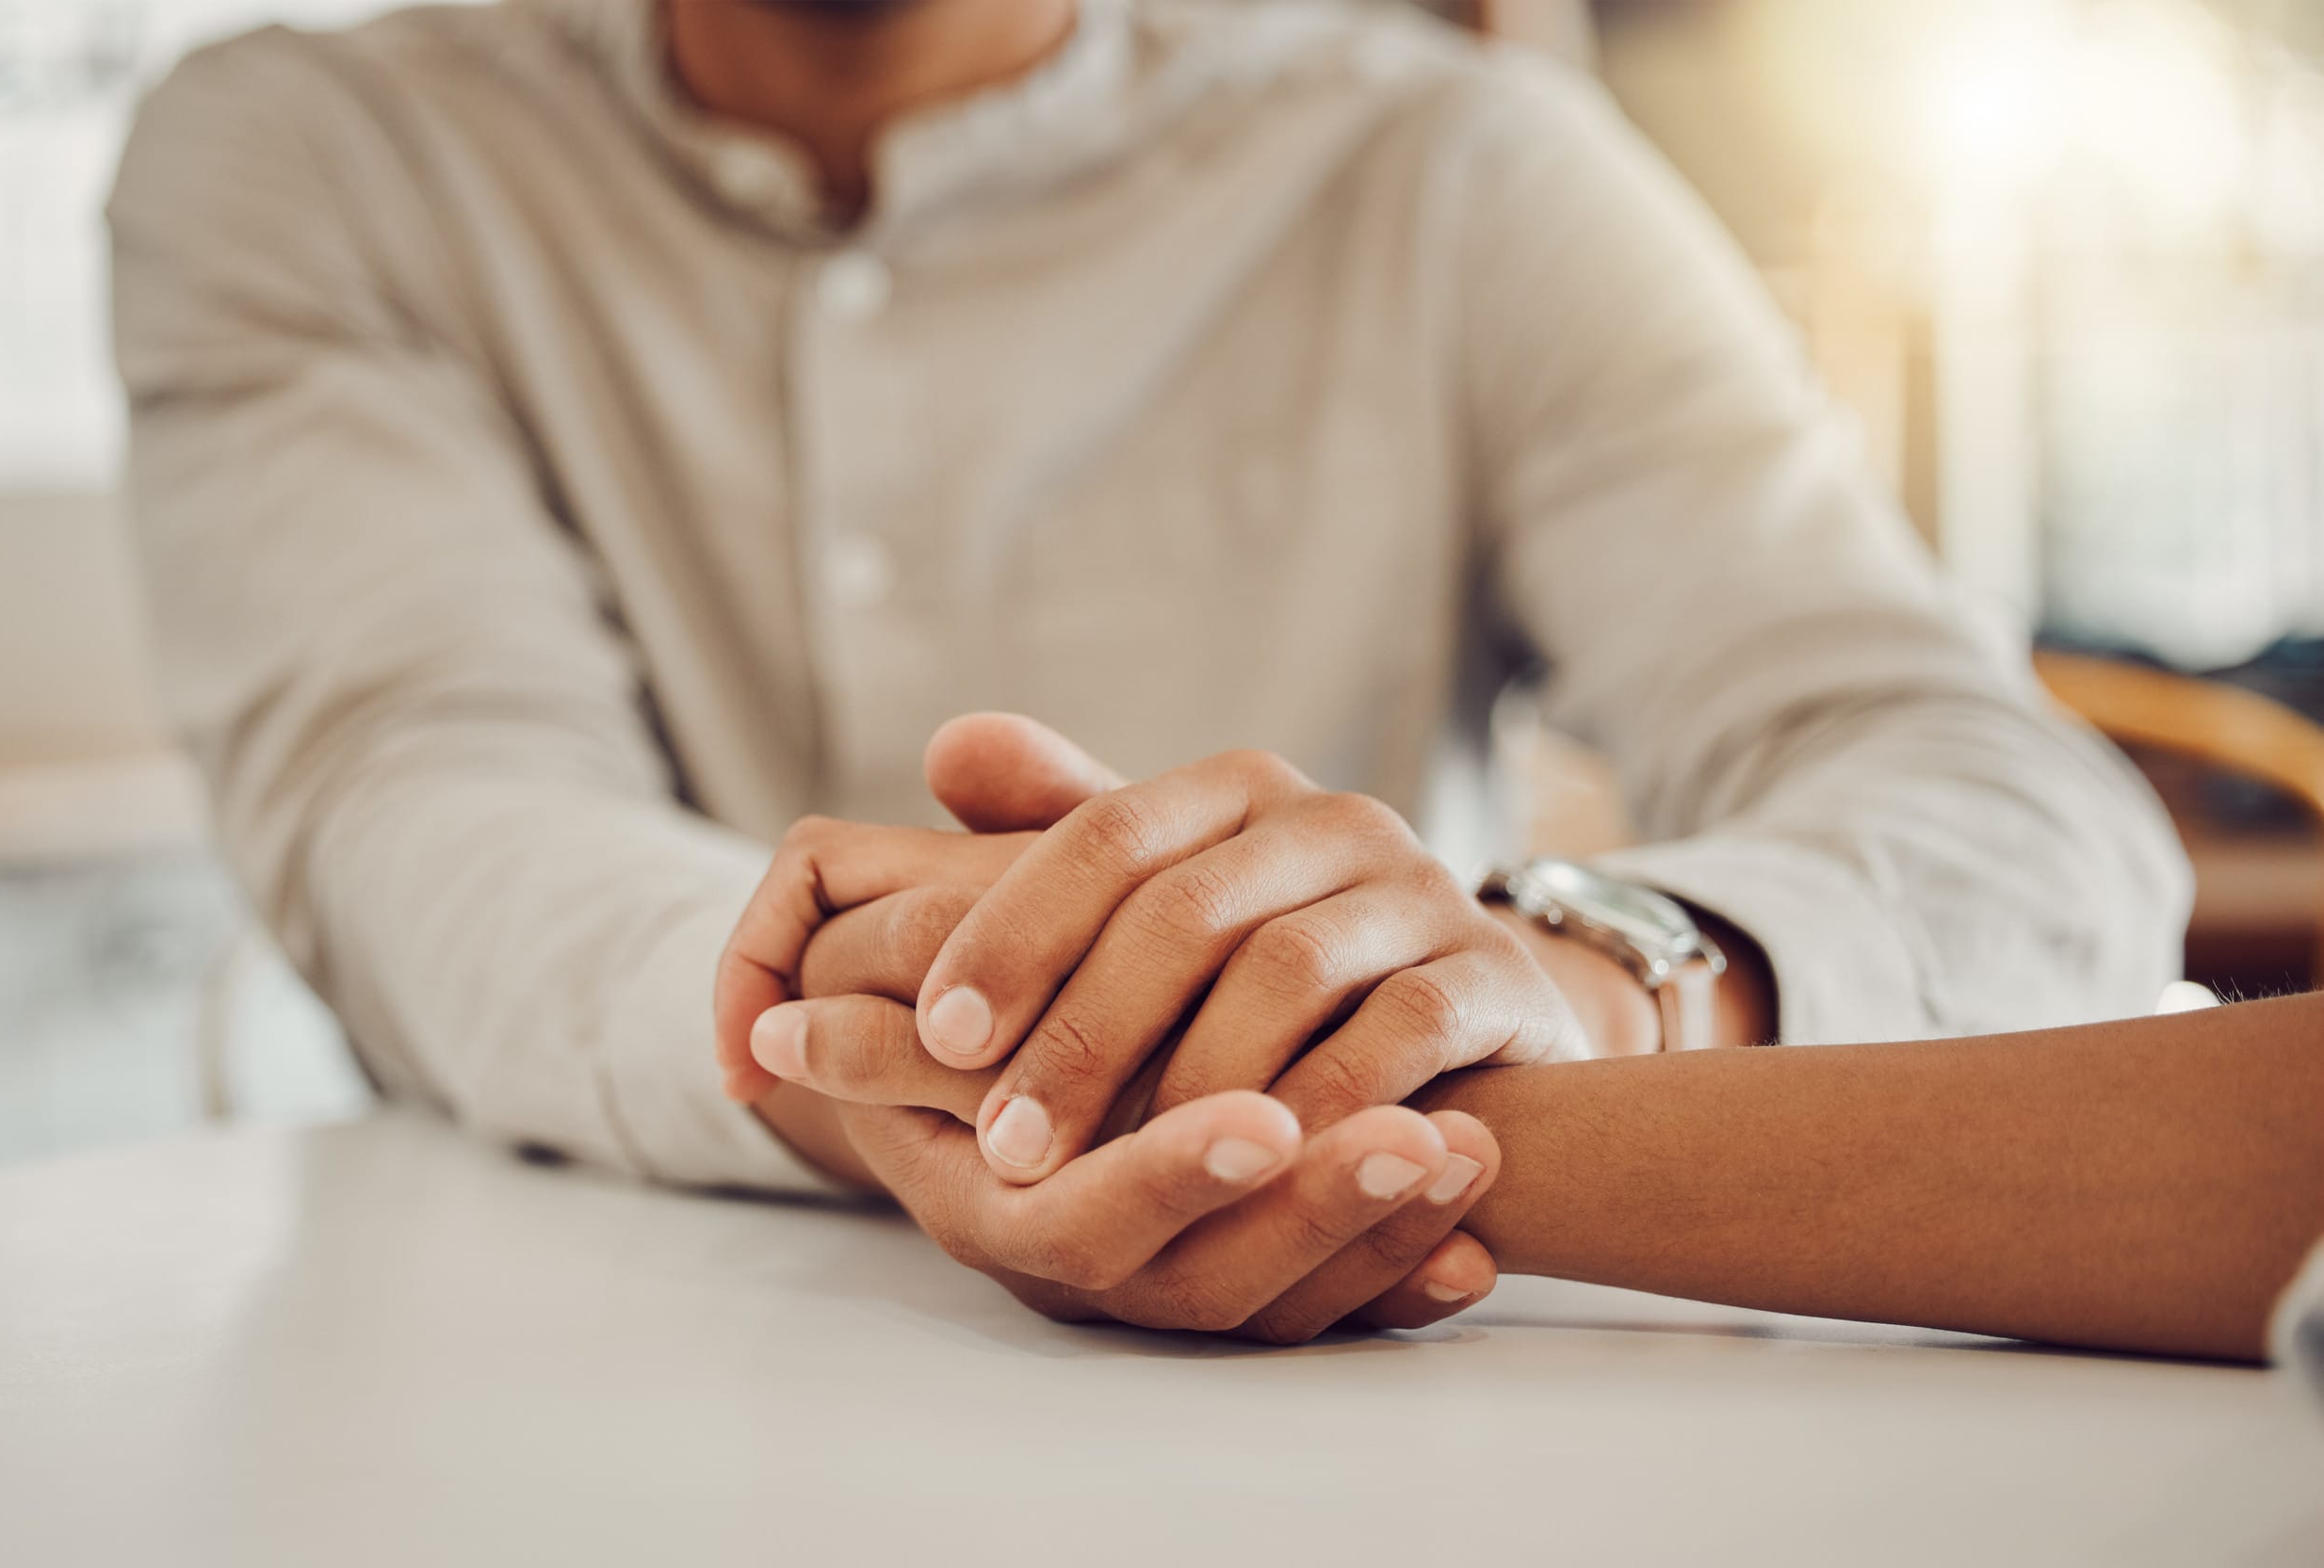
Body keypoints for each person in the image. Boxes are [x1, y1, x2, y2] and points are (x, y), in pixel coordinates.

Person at [110, 0, 2187, 1337]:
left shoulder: (1464, 169)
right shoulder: (308, 153)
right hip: (530, 1421)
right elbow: (422, 811)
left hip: (1379, 1407)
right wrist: (951, 1038)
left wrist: (1556, 978)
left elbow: (2007, 804)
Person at [737, 716, 2324, 1366]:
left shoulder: (1454, 166)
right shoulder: (482, 186)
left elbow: (2042, 821)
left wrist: (1580, 976)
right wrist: (888, 1044)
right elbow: (487, 845)